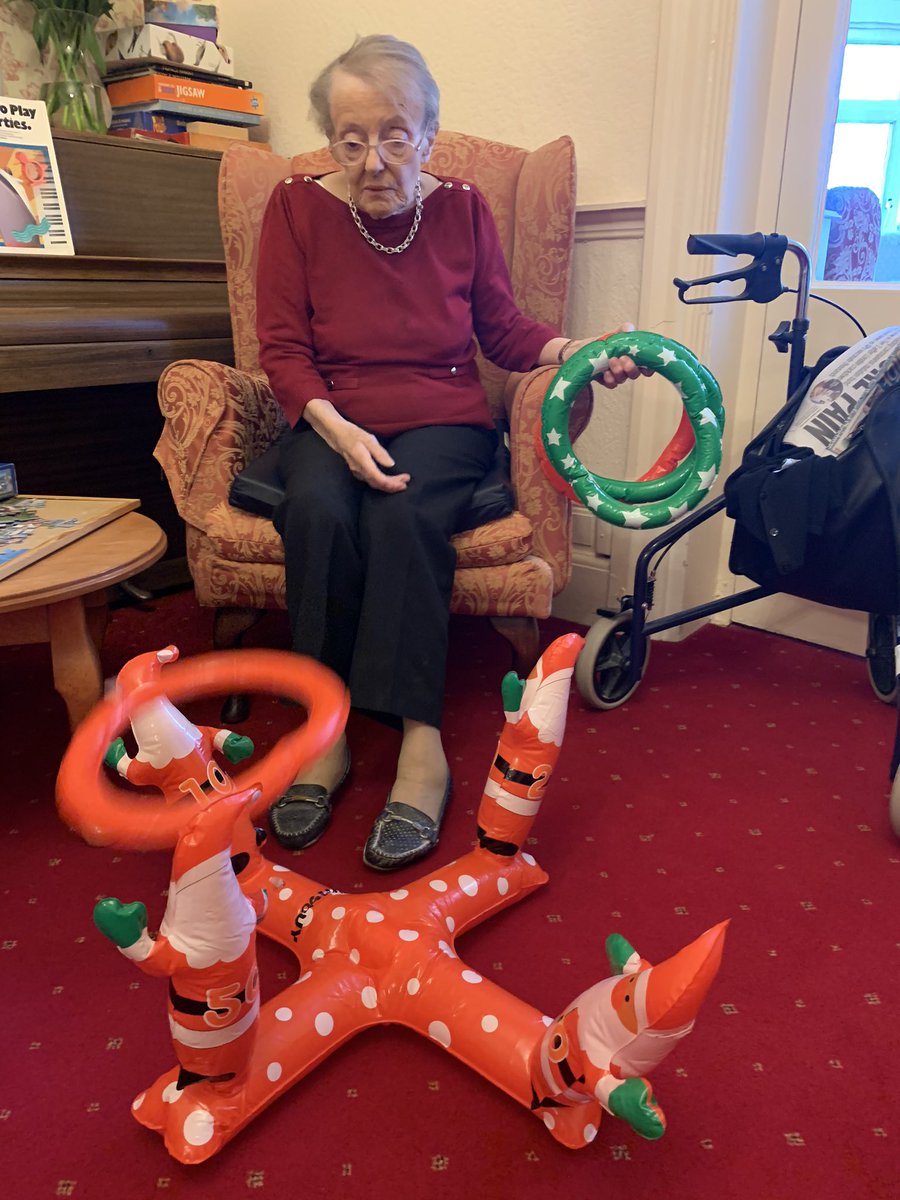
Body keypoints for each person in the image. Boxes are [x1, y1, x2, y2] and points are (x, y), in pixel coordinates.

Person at [255, 34, 646, 871]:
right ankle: (323, 731)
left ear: (430, 134)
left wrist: (583, 352)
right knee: (318, 509)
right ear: (330, 139)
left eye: (396, 135)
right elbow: (282, 348)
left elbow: (503, 330)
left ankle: (420, 744)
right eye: (350, 139)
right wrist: (335, 428)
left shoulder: (463, 208)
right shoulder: (293, 207)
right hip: (331, 414)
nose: (373, 160)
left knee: (403, 514)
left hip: (442, 416)